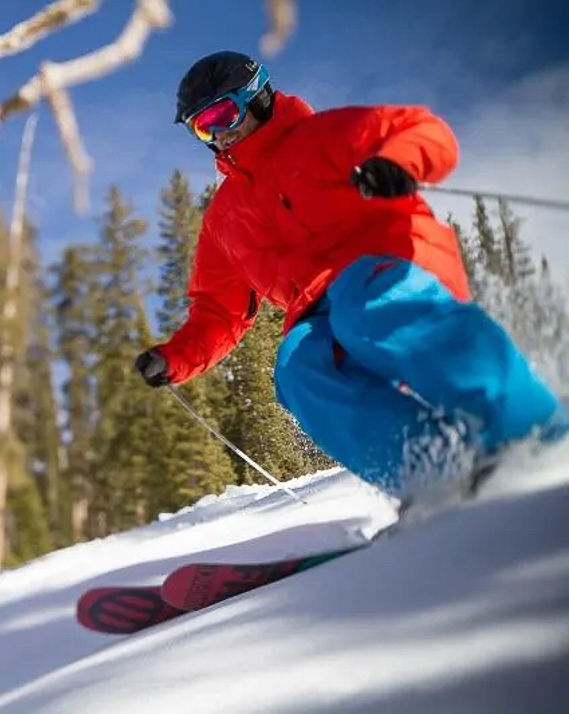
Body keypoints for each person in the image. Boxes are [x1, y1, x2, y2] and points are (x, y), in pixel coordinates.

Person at [135, 50, 567, 496]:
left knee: (365, 302)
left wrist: (397, 160)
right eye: (202, 127)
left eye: (223, 115)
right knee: (299, 368)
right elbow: (217, 310)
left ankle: (528, 428)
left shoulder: (327, 134)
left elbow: (420, 129)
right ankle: (433, 473)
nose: (217, 135)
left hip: (394, 260)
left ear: (257, 97)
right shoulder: (225, 218)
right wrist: (176, 358)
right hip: (319, 309)